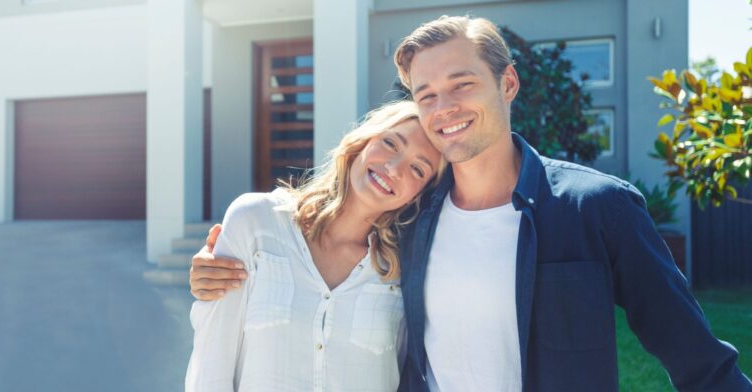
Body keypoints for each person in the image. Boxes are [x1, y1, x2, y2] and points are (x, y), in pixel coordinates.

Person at [189, 16, 752, 391]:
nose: (444, 107)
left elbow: (700, 359)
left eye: (462, 84)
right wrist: (216, 270)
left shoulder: (595, 208)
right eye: (426, 94)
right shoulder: (411, 221)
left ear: (506, 82)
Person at [185, 100, 445, 391]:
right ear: (362, 142)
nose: (393, 168)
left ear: (418, 195)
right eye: (390, 143)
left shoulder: (404, 272)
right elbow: (210, 365)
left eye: (418, 170)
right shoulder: (255, 222)